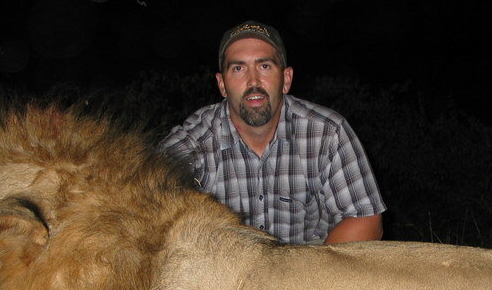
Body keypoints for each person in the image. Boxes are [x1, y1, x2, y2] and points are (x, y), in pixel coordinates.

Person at [159, 21, 386, 244]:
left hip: (308, 269)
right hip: (224, 275)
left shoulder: (327, 132)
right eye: (238, 68)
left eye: (264, 66)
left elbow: (365, 220)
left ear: (286, 79)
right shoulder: (194, 143)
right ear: (222, 85)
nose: (253, 81)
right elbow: (144, 213)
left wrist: (301, 278)